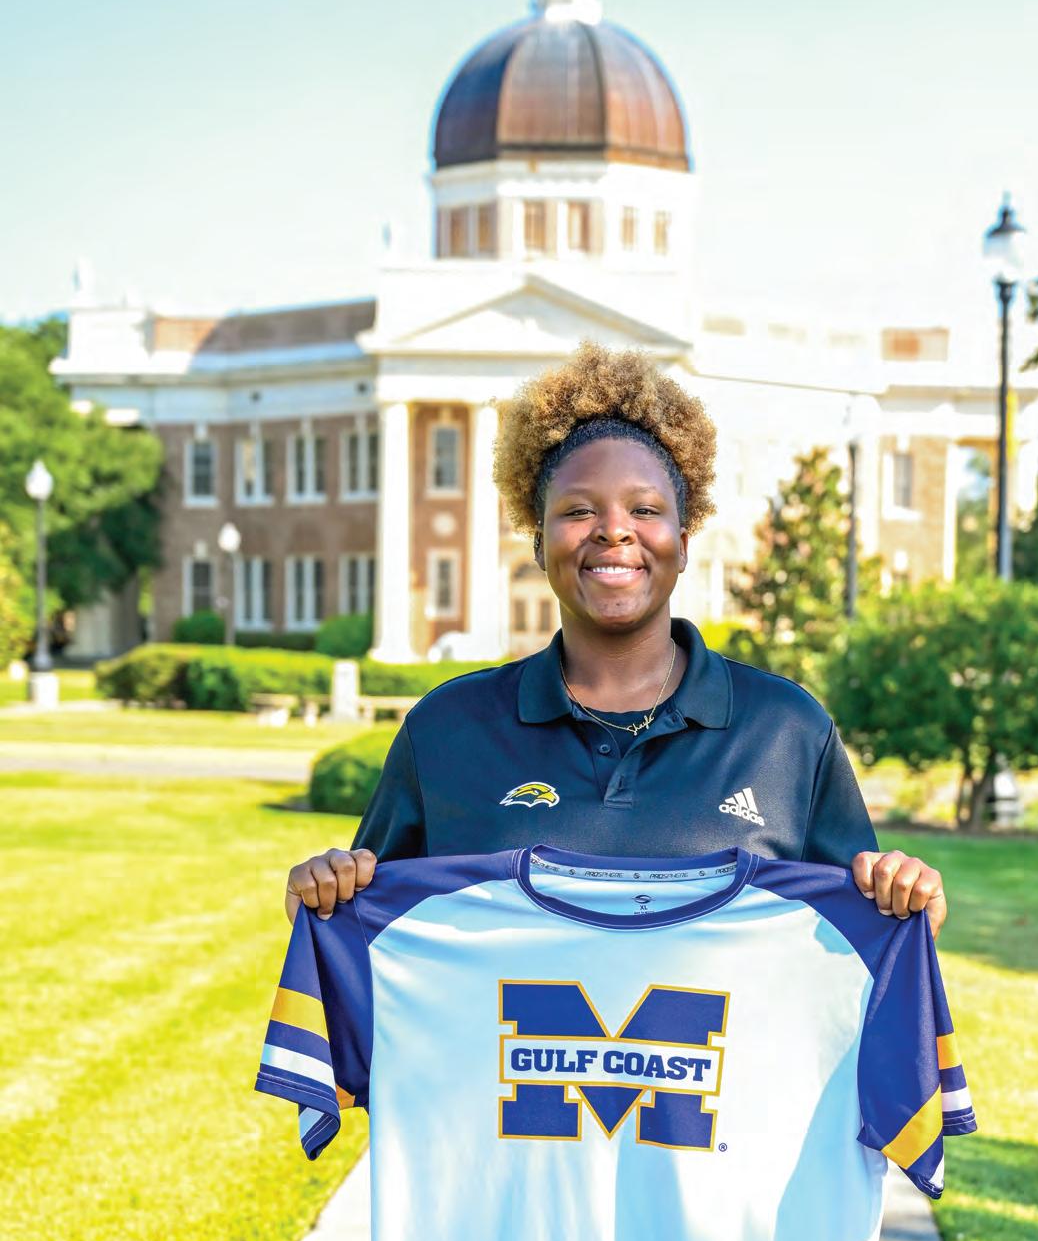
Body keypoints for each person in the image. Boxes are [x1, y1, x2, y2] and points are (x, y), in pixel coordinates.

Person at [285, 341, 947, 937]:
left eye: (645, 509)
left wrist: (905, 900)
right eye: (578, 510)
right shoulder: (445, 731)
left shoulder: (786, 732)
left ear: (682, 543)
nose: (613, 529)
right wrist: (324, 901)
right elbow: (374, 940)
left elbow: (853, 949)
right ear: (539, 544)